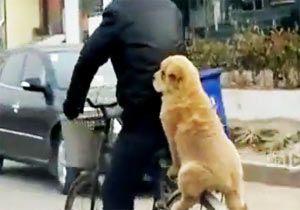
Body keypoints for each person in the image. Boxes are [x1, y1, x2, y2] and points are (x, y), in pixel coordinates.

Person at [63, 0, 186, 209]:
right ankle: (163, 193)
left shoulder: (118, 12)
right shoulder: (170, 8)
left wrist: (73, 104)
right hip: (180, 110)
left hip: (144, 115)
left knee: (114, 189)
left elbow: (88, 59)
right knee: (161, 166)